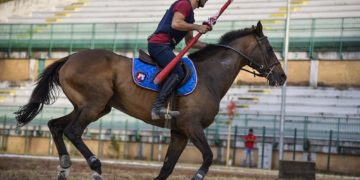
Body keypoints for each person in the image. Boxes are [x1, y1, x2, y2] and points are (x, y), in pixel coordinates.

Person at [148, 0, 211, 120]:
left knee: (179, 69)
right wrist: (198, 27)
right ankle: (157, 107)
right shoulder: (184, 4)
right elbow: (176, 23)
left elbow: (190, 42)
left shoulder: (190, 15)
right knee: (178, 71)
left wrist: (211, 47)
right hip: (159, 45)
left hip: (164, 46)